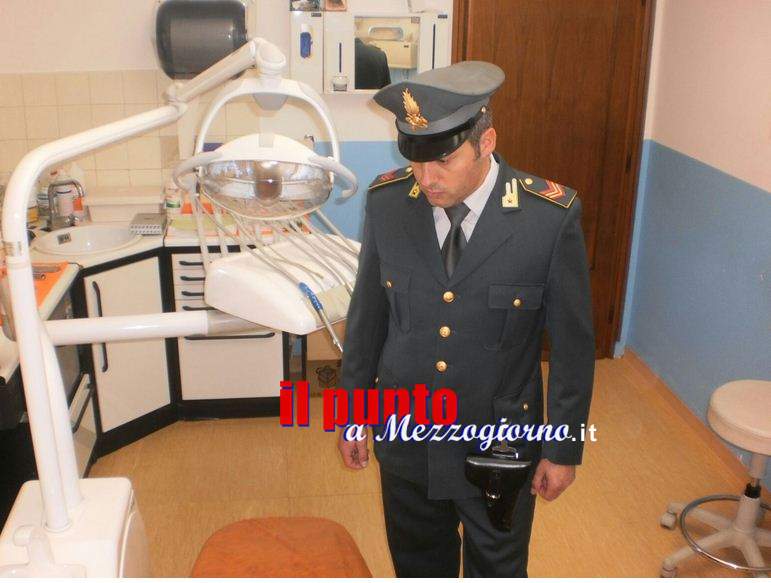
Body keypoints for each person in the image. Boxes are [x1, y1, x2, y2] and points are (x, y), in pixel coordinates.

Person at [337, 60, 595, 577]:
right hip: (407, 439)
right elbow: (367, 320)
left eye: (444, 160)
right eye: (415, 160)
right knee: (417, 566)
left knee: (497, 568)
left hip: (499, 446)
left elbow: (573, 347)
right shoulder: (388, 204)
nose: (427, 178)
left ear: (486, 141)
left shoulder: (547, 218)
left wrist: (563, 448)